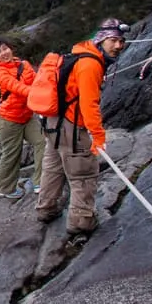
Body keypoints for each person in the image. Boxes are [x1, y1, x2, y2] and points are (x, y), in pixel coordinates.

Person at [35, 18, 128, 235]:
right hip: (71, 127)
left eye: (121, 42)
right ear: (102, 40)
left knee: (53, 167)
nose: (118, 46)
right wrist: (98, 136)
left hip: (52, 122)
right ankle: (81, 221)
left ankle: (46, 208)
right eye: (113, 40)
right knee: (83, 173)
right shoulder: (91, 64)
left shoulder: (80, 53)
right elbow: (89, 105)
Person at [0, 37, 46, 200]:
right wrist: (36, 93)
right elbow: (17, 88)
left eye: (5, 48)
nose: (4, 53)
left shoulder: (25, 65)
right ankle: (4, 189)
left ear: (11, 49)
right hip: (9, 120)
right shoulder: (0, 72)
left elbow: (37, 81)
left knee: (42, 141)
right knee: (12, 153)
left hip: (27, 116)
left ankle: (40, 182)